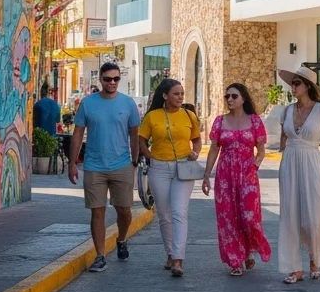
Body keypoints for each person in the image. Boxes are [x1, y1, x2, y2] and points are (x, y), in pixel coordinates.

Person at [68, 62, 141, 274]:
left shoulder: (128, 103)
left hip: (122, 164)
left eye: (116, 79)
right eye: (108, 79)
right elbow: (78, 134)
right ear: (100, 80)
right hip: (94, 166)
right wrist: (72, 163)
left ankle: (122, 239)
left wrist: (135, 161)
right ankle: (100, 256)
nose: (112, 82)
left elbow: (134, 134)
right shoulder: (88, 103)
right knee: (97, 212)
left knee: (124, 210)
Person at [202, 83, 271, 276]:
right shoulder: (220, 121)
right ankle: (236, 260)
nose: (230, 100)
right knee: (228, 218)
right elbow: (214, 149)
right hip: (225, 175)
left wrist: (254, 166)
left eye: (234, 96)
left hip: (248, 175)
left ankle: (249, 249)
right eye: (227, 96)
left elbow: (261, 151)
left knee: (249, 217)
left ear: (243, 99)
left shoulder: (255, 121)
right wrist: (206, 175)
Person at [276, 65, 320, 285]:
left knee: (313, 217)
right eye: (292, 83)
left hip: (312, 164)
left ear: (308, 86)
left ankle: (314, 261)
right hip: (289, 163)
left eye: (297, 83)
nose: (292, 87)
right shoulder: (287, 111)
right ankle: (295, 267)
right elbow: (284, 139)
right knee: (290, 215)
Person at [138, 78, 202, 277]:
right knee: (164, 215)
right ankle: (170, 253)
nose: (180, 97)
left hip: (183, 167)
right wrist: (149, 156)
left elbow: (197, 139)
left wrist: (195, 153)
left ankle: (178, 259)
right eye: (176, 94)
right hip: (159, 168)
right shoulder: (152, 116)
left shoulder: (189, 115)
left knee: (179, 212)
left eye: (182, 93)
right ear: (165, 96)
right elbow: (142, 139)